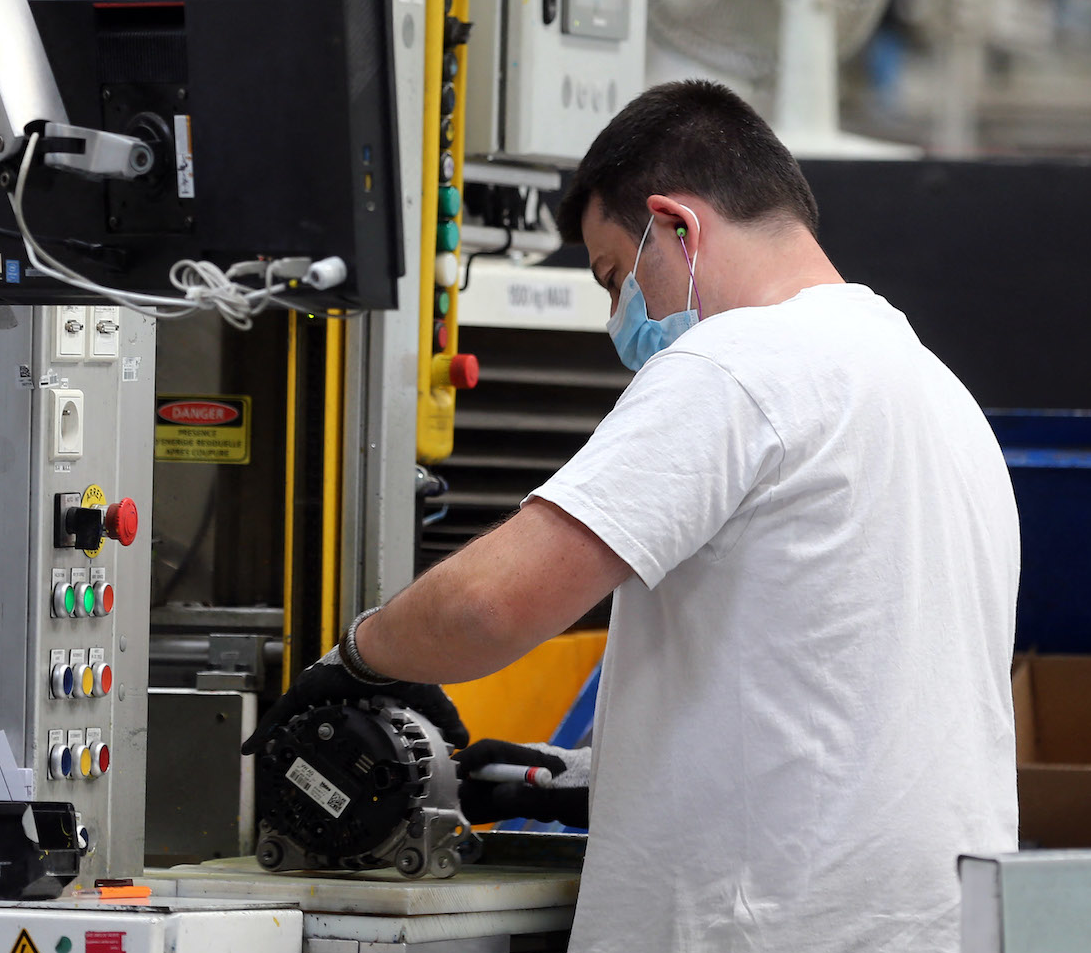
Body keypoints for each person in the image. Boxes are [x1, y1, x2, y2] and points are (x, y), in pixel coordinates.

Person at [246, 79, 1020, 952]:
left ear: (677, 226)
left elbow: (485, 608)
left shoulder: (739, 362)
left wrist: (361, 658)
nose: (619, 317)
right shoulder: (933, 389)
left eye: (615, 276)